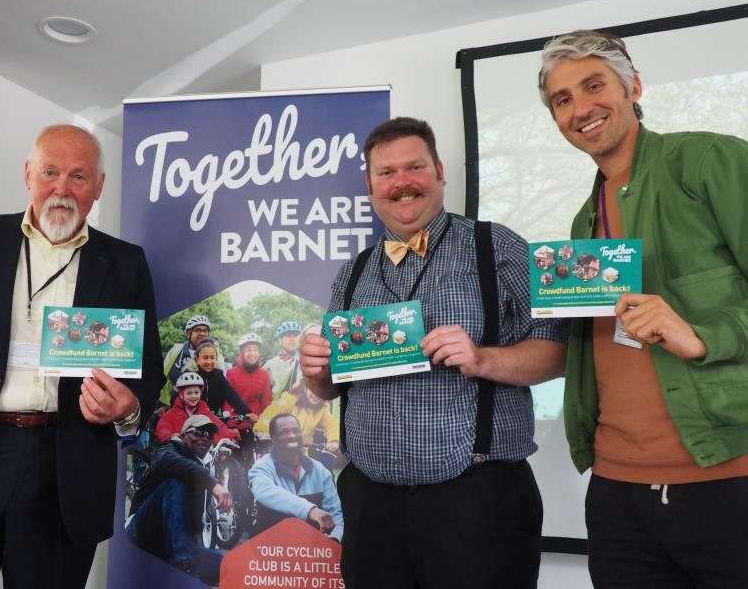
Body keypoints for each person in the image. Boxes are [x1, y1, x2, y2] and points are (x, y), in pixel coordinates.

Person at [299, 117, 567, 589]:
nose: (402, 182)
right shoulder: (353, 272)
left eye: (415, 167)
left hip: (476, 501)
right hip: (371, 502)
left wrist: (483, 358)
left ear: (440, 172)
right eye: (387, 172)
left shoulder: (495, 247)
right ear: (370, 186)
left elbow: (559, 351)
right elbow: (330, 386)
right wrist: (317, 372)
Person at [0, 124, 165, 588]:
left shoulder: (126, 263)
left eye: (79, 177)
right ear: (28, 174)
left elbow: (145, 375)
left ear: (99, 187)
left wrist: (128, 410)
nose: (61, 189)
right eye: (50, 172)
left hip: (64, 465)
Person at [538, 29, 748, 588]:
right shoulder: (582, 224)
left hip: (727, 478)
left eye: (592, 85)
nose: (581, 108)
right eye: (562, 100)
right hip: (616, 494)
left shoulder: (709, 160)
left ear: (633, 85)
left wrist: (703, 336)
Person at [127, 415, 232, 585]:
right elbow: (165, 461)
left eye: (209, 436)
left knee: (228, 565)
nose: (204, 438)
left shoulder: (200, 469)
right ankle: (182, 567)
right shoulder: (170, 448)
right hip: (139, 536)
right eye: (198, 432)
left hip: (169, 547)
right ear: (183, 435)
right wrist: (212, 483)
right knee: (175, 482)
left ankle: (175, 567)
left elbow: (190, 529)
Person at [249, 413, 343, 541]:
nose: (292, 435)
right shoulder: (262, 467)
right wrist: (310, 510)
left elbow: (336, 514)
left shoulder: (320, 470)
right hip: (270, 550)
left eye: (295, 430)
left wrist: (334, 539)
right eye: (284, 432)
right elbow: (264, 491)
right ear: (273, 438)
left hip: (311, 550)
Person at [253, 380, 340, 469]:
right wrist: (262, 430)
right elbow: (271, 414)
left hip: (303, 450)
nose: (316, 396)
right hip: (283, 448)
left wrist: (333, 440)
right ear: (305, 387)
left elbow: (331, 424)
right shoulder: (289, 399)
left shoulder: (322, 407)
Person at [155, 372, 239, 444]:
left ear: (200, 393)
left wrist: (231, 435)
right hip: (179, 452)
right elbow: (162, 427)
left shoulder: (205, 412)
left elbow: (219, 427)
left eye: (196, 392)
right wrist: (170, 437)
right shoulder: (172, 413)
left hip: (201, 453)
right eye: (189, 393)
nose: (193, 396)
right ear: (181, 395)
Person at [226, 332, 273, 418]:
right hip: (237, 420)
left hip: (258, 420)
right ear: (242, 352)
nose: (252, 353)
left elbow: (267, 402)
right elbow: (227, 403)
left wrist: (262, 420)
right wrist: (232, 422)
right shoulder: (231, 373)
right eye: (248, 350)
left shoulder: (264, 374)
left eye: (255, 350)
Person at [263, 321, 303, 398]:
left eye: (295, 335)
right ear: (280, 341)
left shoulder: (306, 362)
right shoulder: (269, 365)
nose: (292, 339)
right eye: (288, 335)